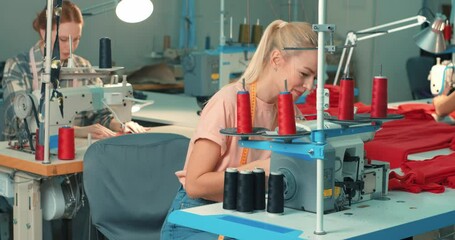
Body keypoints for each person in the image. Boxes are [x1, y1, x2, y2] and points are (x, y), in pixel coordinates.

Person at [160, 19, 318, 239]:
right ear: (276, 59)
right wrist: (259, 169)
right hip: (196, 219)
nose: (310, 86)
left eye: (314, 78)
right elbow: (195, 185)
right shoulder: (227, 102)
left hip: (247, 214)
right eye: (304, 74)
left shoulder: (291, 115)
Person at [1, 0, 147, 142]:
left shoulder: (83, 66)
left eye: (76, 39)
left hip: (72, 154)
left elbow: (100, 114)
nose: (70, 47)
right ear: (43, 32)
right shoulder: (18, 67)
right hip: (23, 156)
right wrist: (79, 131)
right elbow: (20, 124)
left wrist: (121, 124)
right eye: (63, 39)